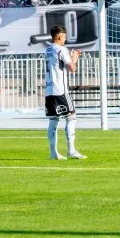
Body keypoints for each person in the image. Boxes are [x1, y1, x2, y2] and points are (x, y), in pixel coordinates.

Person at [44, 26, 86, 160]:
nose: (65, 40)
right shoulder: (61, 49)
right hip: (61, 90)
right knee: (71, 117)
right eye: (64, 37)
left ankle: (53, 153)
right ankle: (71, 151)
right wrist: (75, 57)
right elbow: (72, 68)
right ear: (59, 37)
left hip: (49, 90)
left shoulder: (48, 49)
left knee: (53, 120)